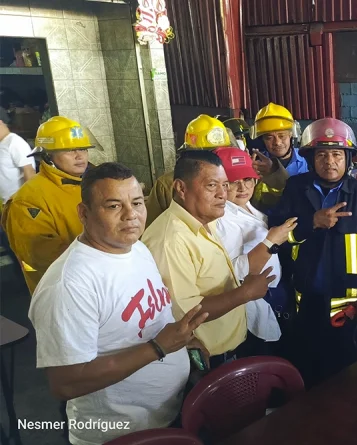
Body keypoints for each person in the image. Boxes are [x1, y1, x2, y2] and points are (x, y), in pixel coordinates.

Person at [28, 162, 209, 445]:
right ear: (84, 213)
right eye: (113, 206)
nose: (131, 215)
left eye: (137, 202)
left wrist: (181, 342)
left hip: (166, 414)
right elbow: (65, 382)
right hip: (119, 434)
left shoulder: (135, 247)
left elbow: (147, 315)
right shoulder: (70, 284)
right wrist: (159, 348)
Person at [271, 118, 357, 387]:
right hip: (305, 304)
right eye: (322, 154)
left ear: (348, 159)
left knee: (349, 378)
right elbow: (275, 240)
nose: (329, 161)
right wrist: (310, 223)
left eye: (337, 154)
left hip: (349, 309)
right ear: (310, 158)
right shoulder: (295, 190)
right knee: (307, 376)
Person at [142, 150, 275, 367]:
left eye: (225, 185)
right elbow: (186, 313)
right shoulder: (171, 239)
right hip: (205, 358)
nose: (223, 194)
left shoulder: (205, 221)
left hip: (229, 346)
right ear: (181, 188)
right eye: (212, 185)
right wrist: (245, 293)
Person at [214, 147, 298, 354]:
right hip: (252, 304)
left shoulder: (249, 207)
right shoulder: (222, 221)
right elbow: (234, 272)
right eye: (234, 182)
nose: (242, 187)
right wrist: (270, 241)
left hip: (273, 296)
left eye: (247, 179)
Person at [1, 116, 93, 293]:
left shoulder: (91, 184)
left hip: (100, 286)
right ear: (47, 156)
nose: (79, 155)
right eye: (69, 150)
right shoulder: (27, 200)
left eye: (83, 148)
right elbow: (44, 256)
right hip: (62, 292)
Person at [145, 114, 236, 226]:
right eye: (211, 185)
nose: (222, 193)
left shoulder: (233, 176)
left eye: (220, 152)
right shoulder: (166, 184)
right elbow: (151, 224)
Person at [250, 103, 308, 212]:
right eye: (269, 138)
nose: (277, 142)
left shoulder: (307, 160)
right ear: (262, 139)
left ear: (291, 135)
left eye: (282, 136)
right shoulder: (256, 164)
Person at [0, 108, 35, 204]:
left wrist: (28, 200)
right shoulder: (2, 143)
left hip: (17, 202)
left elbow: (29, 170)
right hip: (5, 203)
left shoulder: (14, 142)